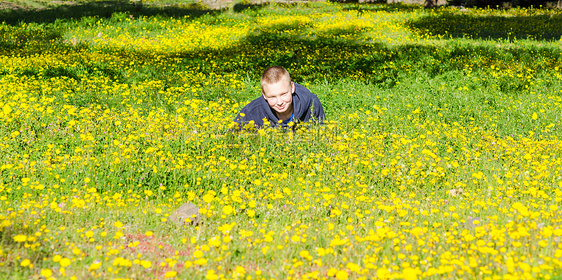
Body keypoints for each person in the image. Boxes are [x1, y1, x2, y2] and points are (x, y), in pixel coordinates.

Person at [234, 66, 325, 129]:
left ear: (292, 87)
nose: (280, 102)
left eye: (284, 94)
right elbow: (232, 139)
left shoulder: (312, 104)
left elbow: (322, 134)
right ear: (264, 95)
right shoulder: (251, 112)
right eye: (272, 97)